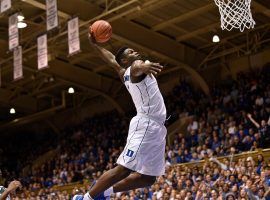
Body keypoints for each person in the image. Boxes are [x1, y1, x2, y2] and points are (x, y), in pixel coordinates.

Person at [73, 30, 167, 200]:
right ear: (125, 61)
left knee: (148, 178)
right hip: (146, 124)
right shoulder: (135, 69)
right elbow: (137, 67)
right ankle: (85, 198)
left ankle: (104, 192)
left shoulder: (123, 72)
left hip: (157, 128)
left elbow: (110, 59)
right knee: (124, 169)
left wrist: (94, 45)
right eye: (130, 52)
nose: (135, 52)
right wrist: (144, 66)